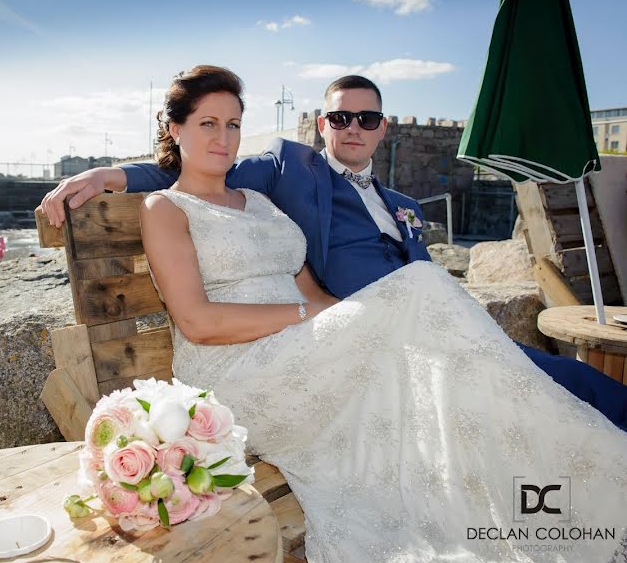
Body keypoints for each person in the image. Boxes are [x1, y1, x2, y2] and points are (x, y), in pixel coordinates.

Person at [143, 65, 627, 561]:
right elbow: (198, 322)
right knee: (424, 295)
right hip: (236, 369)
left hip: (301, 347)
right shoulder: (166, 209)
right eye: (208, 123)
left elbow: (316, 297)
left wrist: (353, 319)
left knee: (461, 370)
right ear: (175, 128)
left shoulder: (263, 205)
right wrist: (313, 314)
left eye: (233, 124)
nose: (224, 137)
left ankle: (566, 494)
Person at [41, 77, 627, 433]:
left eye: (365, 118)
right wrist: (110, 173)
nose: (352, 127)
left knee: (562, 380)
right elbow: (200, 165)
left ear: (382, 128)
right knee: (559, 386)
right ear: (322, 123)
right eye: (340, 117)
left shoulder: (401, 201)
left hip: (433, 324)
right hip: (362, 334)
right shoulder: (286, 170)